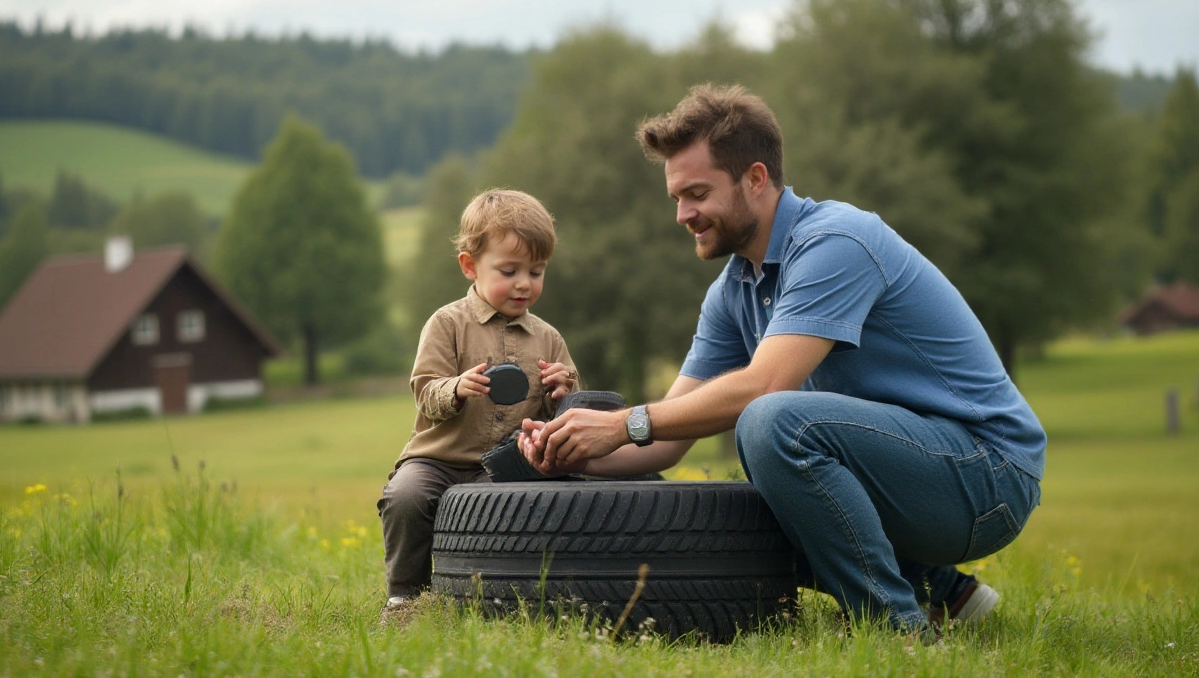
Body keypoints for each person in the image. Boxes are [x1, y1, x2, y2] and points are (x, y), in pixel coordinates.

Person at [519, 84, 1044, 637]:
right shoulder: (732, 290)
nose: (682, 214)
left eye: (696, 193)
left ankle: (895, 629)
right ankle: (942, 589)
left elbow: (765, 387)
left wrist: (623, 422)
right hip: (912, 473)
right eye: (676, 197)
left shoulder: (836, 241)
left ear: (756, 178)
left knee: (772, 424)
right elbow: (669, 438)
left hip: (988, 474)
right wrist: (573, 454)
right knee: (728, 510)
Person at [378, 188, 580, 621]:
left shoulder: (548, 337)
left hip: (506, 465)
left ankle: (490, 602)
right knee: (405, 498)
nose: (525, 283)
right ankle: (404, 598)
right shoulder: (447, 323)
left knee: (509, 516)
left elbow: (568, 414)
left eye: (537, 271)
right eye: (509, 270)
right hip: (439, 457)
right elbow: (425, 390)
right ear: (470, 266)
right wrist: (455, 388)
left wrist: (563, 391)